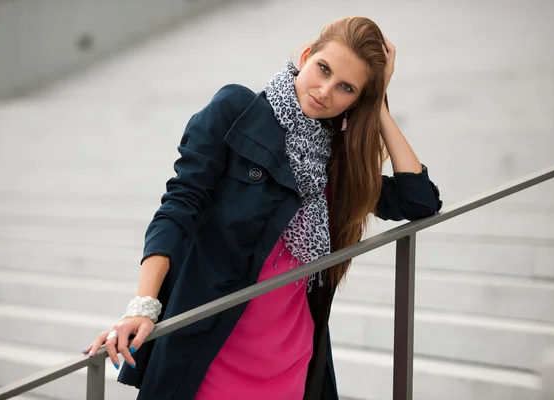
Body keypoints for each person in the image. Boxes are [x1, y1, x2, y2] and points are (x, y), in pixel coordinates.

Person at [84, 16, 442, 400]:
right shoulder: (237, 110)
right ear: (306, 55)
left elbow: (419, 200)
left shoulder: (338, 163)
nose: (324, 91)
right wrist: (143, 305)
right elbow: (179, 205)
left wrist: (380, 105)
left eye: (346, 88)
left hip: (290, 358)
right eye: (323, 69)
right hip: (212, 350)